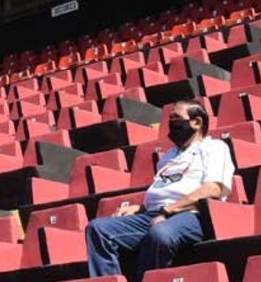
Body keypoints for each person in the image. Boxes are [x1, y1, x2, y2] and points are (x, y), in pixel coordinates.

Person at [84, 100, 235, 282]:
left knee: (160, 233)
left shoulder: (214, 147)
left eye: (177, 118)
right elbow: (165, 192)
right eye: (170, 118)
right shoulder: (169, 156)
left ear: (196, 122)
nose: (171, 123)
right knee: (98, 229)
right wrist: (141, 209)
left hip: (192, 214)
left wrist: (168, 210)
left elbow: (214, 188)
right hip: (155, 214)